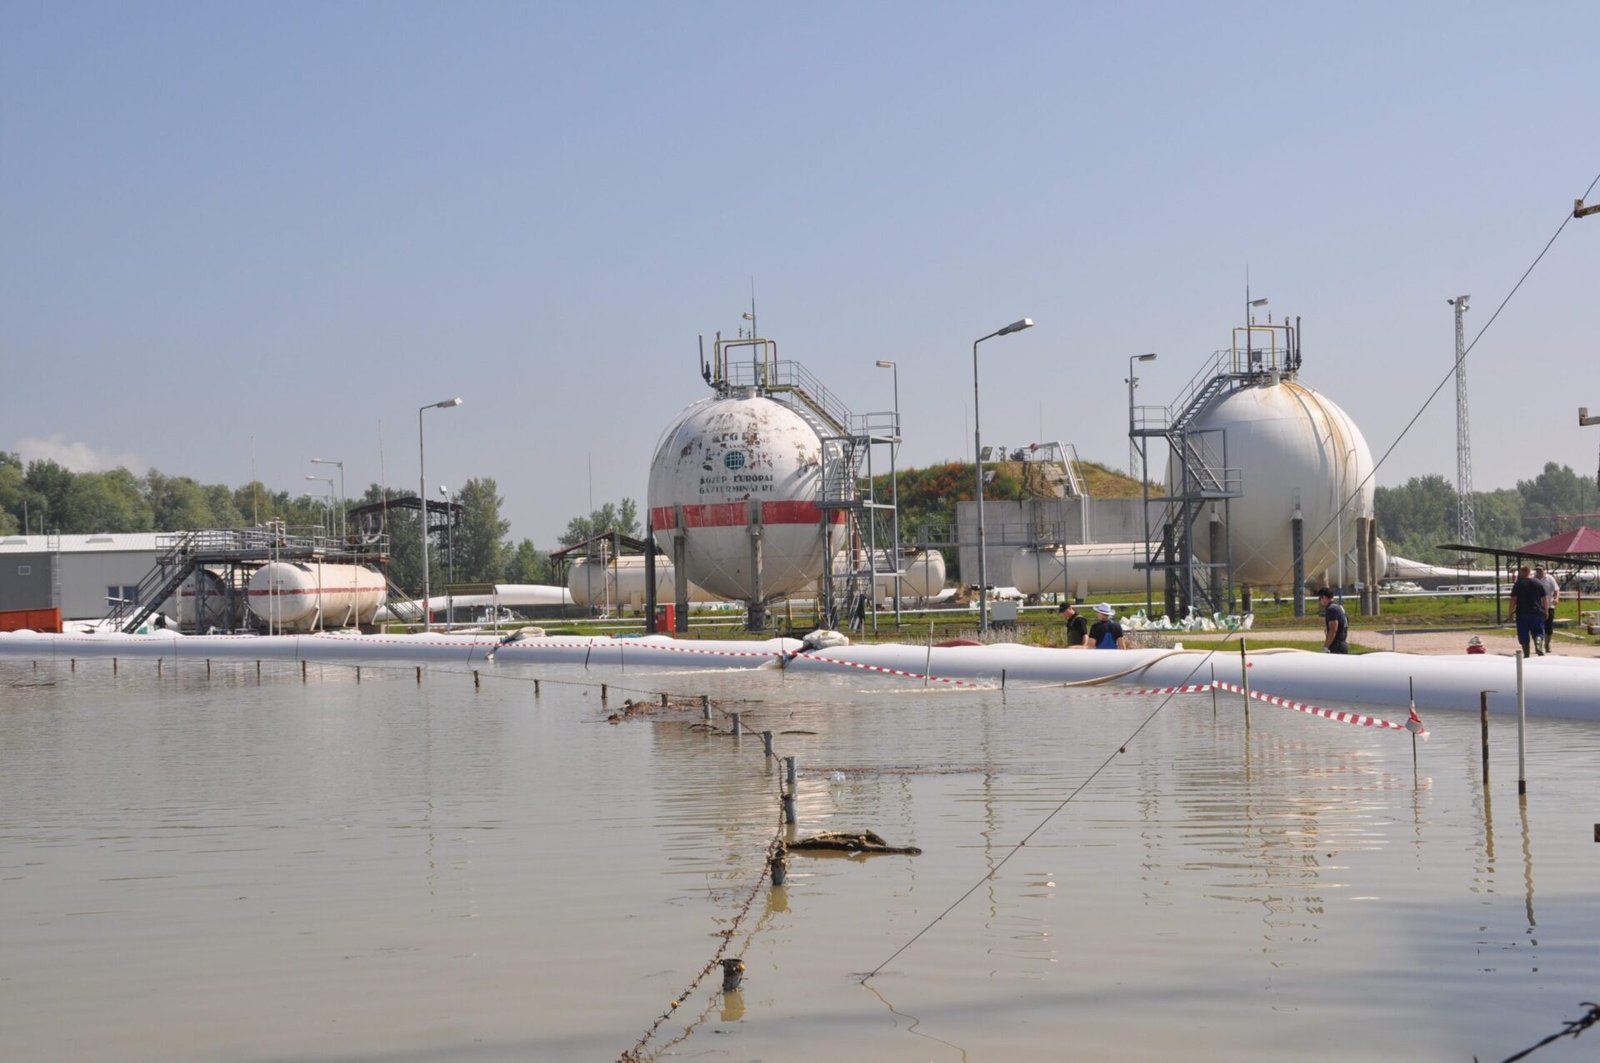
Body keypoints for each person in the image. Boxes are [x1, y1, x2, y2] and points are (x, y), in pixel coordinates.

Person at [1509, 565, 1548, 658]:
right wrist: (1546, 611)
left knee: (1523, 633)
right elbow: (1544, 598)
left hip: (1522, 613)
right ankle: (1538, 645)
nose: (1520, 574)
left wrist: (1510, 613)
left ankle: (1526, 655)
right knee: (1538, 631)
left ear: (1524, 572)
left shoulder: (1518, 584)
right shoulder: (1538, 583)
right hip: (1537, 613)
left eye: (1520, 572)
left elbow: (1513, 599)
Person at [1534, 565, 1560, 653]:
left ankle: (1547, 644)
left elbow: (1556, 590)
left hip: (1549, 605)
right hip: (1537, 606)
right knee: (1538, 626)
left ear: (1544, 570)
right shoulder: (1533, 579)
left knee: (1548, 626)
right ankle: (1539, 645)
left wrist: (1556, 598)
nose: (1538, 572)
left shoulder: (1549, 578)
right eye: (1537, 570)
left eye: (1540, 570)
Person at [1317, 587, 1348, 654]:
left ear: (1324, 597)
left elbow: (1333, 630)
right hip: (1342, 643)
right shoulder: (1339, 607)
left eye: (1320, 598)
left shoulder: (1332, 609)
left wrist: (1326, 647)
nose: (1320, 601)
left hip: (1336, 646)